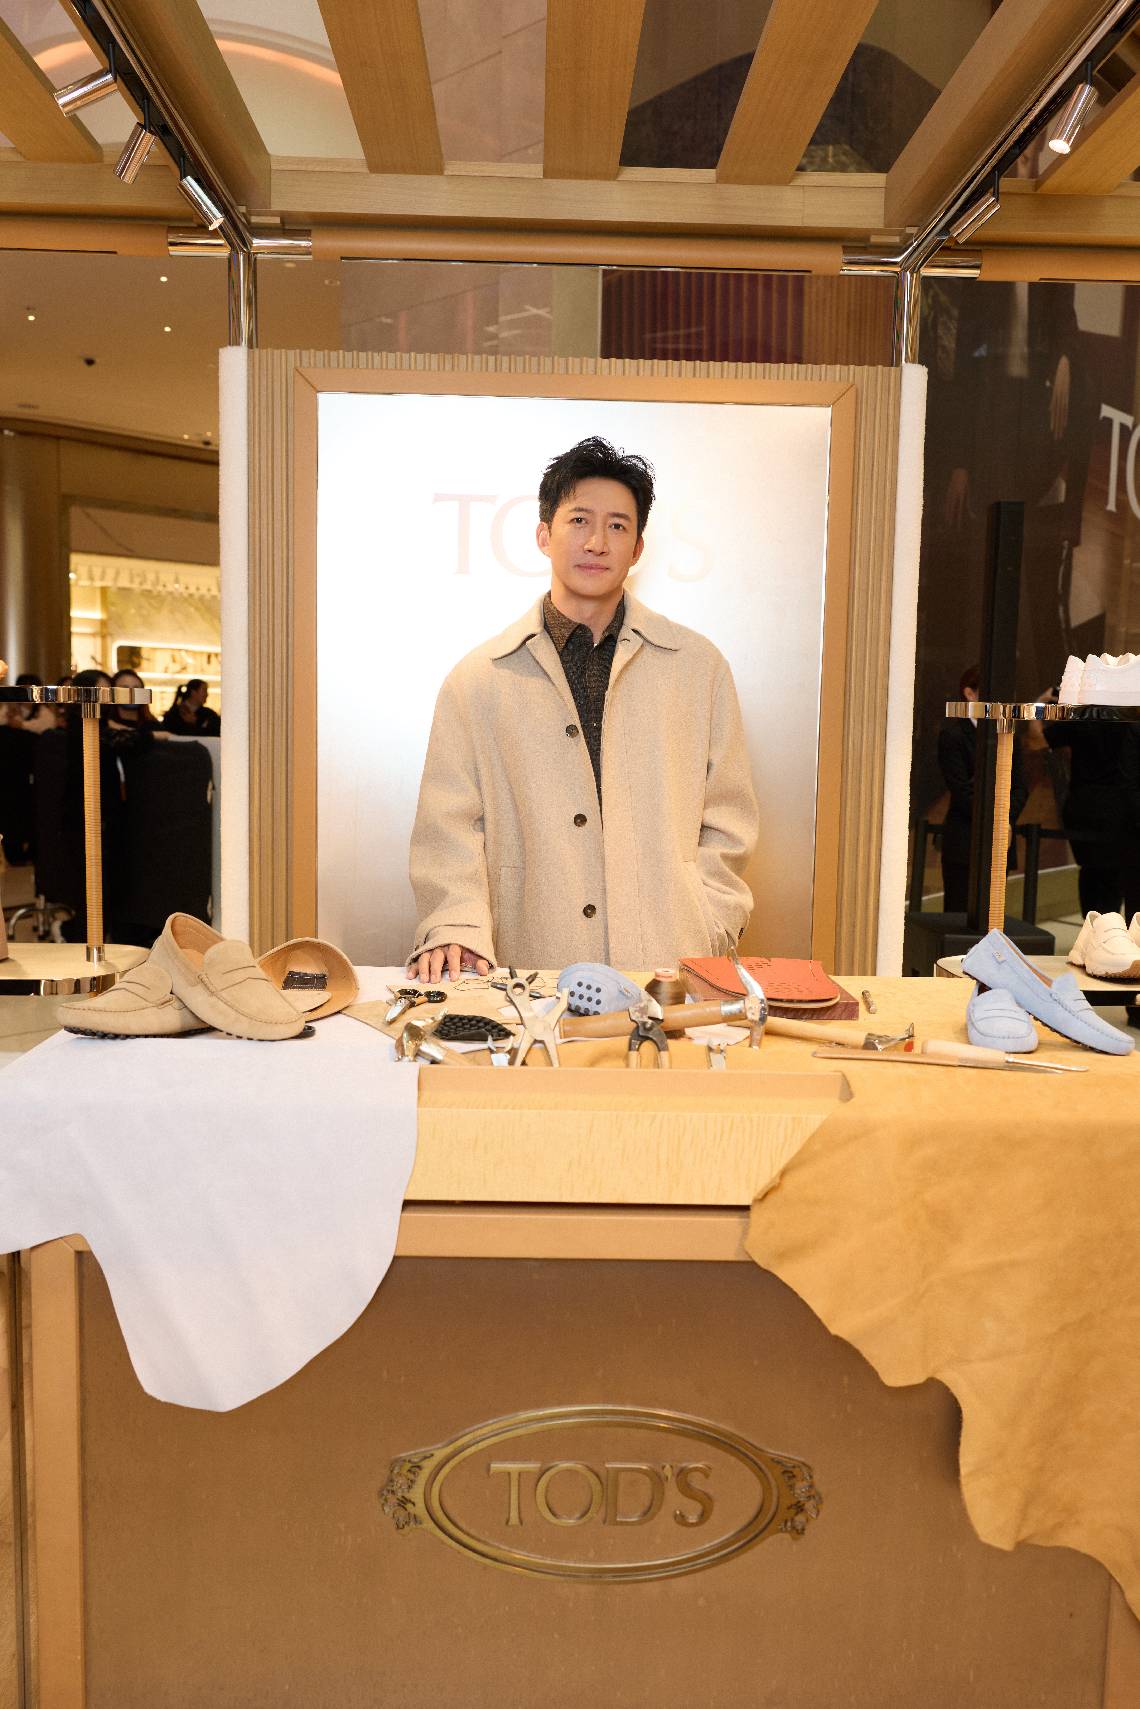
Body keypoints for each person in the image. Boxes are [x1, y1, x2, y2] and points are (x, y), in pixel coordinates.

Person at [407, 436, 759, 982]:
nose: (596, 542)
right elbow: (448, 828)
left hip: (667, 964)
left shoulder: (698, 667)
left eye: (617, 526)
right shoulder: (478, 680)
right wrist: (457, 925)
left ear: (637, 549)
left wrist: (711, 922)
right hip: (530, 967)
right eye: (578, 521)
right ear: (543, 535)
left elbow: (728, 819)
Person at [936, 667, 1027, 914]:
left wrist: (1005, 820)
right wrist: (996, 819)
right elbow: (962, 791)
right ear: (970, 694)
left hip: (1000, 839)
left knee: (993, 913)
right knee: (958, 912)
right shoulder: (953, 736)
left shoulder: (1008, 734)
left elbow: (1020, 788)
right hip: (965, 840)